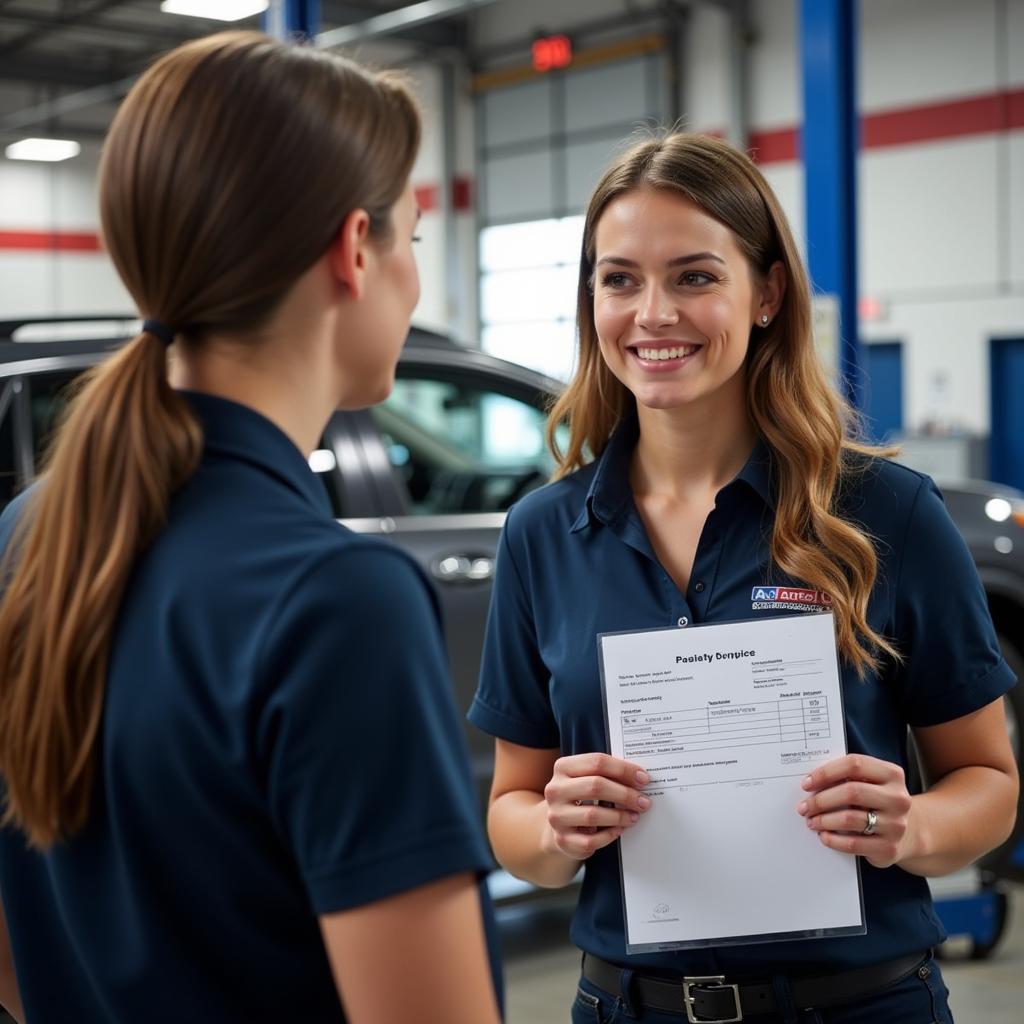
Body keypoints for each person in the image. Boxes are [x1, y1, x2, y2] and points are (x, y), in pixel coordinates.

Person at [0, 31, 502, 1024]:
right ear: (354, 252)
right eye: (409, 238)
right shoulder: (335, 601)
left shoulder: (28, 535)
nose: (413, 284)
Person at [470, 132, 1018, 1023]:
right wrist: (550, 830)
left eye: (694, 276)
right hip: (627, 1006)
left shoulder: (888, 514)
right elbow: (513, 816)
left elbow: (989, 785)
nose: (652, 313)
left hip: (859, 1003)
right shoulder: (544, 533)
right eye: (619, 279)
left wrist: (913, 825)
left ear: (765, 293)